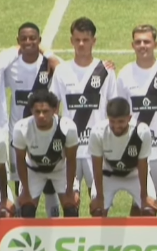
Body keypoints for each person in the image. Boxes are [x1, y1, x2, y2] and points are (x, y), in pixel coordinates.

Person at [116, 24, 157, 216]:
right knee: (139, 199)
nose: (142, 45)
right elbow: (121, 110)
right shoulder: (125, 74)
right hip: (135, 150)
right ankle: (137, 243)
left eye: (146, 41)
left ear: (155, 44)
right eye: (138, 42)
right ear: (132, 45)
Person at [50, 17, 117, 199]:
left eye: (85, 40)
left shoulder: (106, 71)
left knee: (99, 202)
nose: (81, 44)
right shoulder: (62, 71)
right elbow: (53, 108)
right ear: (71, 40)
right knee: (70, 202)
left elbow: (114, 107)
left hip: (97, 148)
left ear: (93, 41)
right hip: (70, 148)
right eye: (77, 39)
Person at [4, 22, 62, 217]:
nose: (28, 42)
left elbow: (63, 73)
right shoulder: (10, 65)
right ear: (18, 42)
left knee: (49, 179)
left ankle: (53, 219)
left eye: (32, 38)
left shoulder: (50, 64)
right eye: (24, 38)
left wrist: (50, 54)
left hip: (46, 132)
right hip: (18, 133)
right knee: (20, 178)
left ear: (39, 41)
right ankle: (22, 220)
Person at [12, 92, 78, 218]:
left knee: (71, 209)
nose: (41, 115)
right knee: (27, 210)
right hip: (34, 170)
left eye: (45, 111)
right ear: (31, 110)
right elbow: (20, 160)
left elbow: (71, 160)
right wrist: (25, 191)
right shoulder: (21, 128)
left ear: (54, 110)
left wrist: (70, 190)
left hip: (60, 170)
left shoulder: (68, 128)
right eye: (37, 111)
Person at [89, 97, 155, 217]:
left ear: (129, 118)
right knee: (97, 211)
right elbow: (97, 166)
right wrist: (99, 197)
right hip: (108, 174)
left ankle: (138, 235)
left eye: (120, 121)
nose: (116, 126)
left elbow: (143, 164)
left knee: (149, 210)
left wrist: (144, 197)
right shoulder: (98, 132)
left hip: (134, 175)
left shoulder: (142, 132)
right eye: (112, 121)